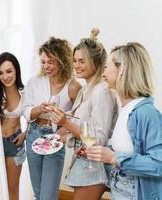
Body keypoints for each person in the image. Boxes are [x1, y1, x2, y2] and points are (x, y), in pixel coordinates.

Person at [85, 42, 162, 200]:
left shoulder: (147, 113)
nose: (103, 73)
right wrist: (102, 152)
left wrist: (114, 158)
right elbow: (126, 149)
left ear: (123, 70)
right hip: (119, 187)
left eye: (107, 67)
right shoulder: (126, 108)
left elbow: (158, 164)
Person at [51, 28, 117, 200]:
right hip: (84, 161)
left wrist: (66, 124)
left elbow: (98, 139)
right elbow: (81, 125)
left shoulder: (102, 91)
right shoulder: (86, 89)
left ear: (96, 62)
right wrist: (63, 132)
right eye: (74, 61)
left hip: (94, 166)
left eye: (82, 61)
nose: (76, 66)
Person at [23, 37, 81, 200]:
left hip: (55, 139)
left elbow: (78, 117)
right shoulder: (34, 82)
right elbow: (26, 111)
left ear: (62, 61)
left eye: (51, 62)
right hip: (33, 135)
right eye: (43, 62)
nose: (46, 66)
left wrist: (63, 129)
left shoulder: (74, 87)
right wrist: (38, 110)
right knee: (39, 193)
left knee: (48, 196)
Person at [0, 52, 27, 200]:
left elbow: (34, 119)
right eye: (0, 73)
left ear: (16, 70)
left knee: (12, 187)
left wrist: (25, 134)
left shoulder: (24, 92)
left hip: (14, 143)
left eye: (9, 71)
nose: (5, 77)